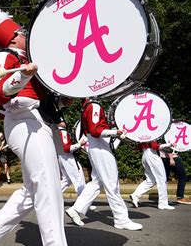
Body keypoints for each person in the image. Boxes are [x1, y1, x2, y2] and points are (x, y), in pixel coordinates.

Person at [0, 2, 78, 246]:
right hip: (22, 120)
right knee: (49, 185)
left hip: (38, 122)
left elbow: (46, 103)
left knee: (32, 190)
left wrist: (64, 100)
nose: (28, 34)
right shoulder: (6, 56)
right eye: (22, 31)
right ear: (13, 37)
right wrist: (22, 78)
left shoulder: (29, 61)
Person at [65, 99, 142, 231]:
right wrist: (115, 132)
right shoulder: (94, 105)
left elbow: (89, 130)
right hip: (100, 147)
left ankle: (76, 209)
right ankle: (121, 219)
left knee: (98, 182)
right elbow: (95, 130)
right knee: (112, 184)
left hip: (95, 147)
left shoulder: (87, 106)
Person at [129, 141, 175, 210]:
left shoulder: (142, 135)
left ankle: (135, 195)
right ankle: (163, 203)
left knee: (150, 180)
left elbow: (138, 146)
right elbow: (155, 146)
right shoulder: (152, 133)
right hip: (153, 155)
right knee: (162, 179)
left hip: (145, 155)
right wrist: (169, 144)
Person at [55, 122, 86, 196]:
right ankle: (83, 202)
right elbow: (66, 148)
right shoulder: (63, 132)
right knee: (79, 178)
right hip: (68, 158)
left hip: (61, 157)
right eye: (62, 121)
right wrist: (79, 144)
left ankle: (51, 197)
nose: (65, 122)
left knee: (67, 179)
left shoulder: (55, 132)